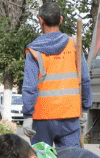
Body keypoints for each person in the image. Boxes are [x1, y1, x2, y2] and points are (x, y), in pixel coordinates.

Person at [21, 1, 92, 148]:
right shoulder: (74, 45)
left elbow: (29, 87)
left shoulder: (34, 50)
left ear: (41, 20)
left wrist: (28, 116)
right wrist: (85, 108)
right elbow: (84, 79)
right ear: (61, 19)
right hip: (69, 116)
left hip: (42, 118)